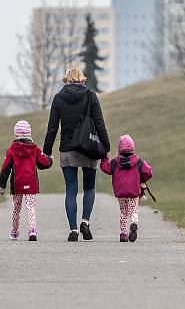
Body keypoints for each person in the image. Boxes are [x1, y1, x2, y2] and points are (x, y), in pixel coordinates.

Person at [43, 67, 110, 242]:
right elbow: (100, 123)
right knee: (89, 187)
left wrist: (47, 152)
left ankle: (73, 230)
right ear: (82, 80)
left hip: (67, 149)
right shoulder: (90, 96)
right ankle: (85, 221)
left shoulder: (58, 98)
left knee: (71, 190)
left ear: (66, 80)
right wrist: (106, 148)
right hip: (88, 147)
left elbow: (52, 128)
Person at [0, 120, 53, 241]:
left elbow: (5, 168)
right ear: (29, 133)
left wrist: (2, 185)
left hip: (17, 184)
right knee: (31, 207)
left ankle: (14, 232)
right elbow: (43, 163)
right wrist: (50, 160)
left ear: (16, 134)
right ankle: (32, 231)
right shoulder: (34, 149)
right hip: (31, 183)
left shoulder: (11, 150)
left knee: (16, 208)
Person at [100, 134, 153, 242]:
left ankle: (123, 234)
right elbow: (148, 172)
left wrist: (104, 159)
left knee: (123, 212)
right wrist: (142, 179)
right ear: (132, 147)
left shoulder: (115, 162)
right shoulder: (138, 162)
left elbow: (106, 168)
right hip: (133, 192)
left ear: (119, 149)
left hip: (121, 193)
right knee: (133, 210)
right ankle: (133, 223)